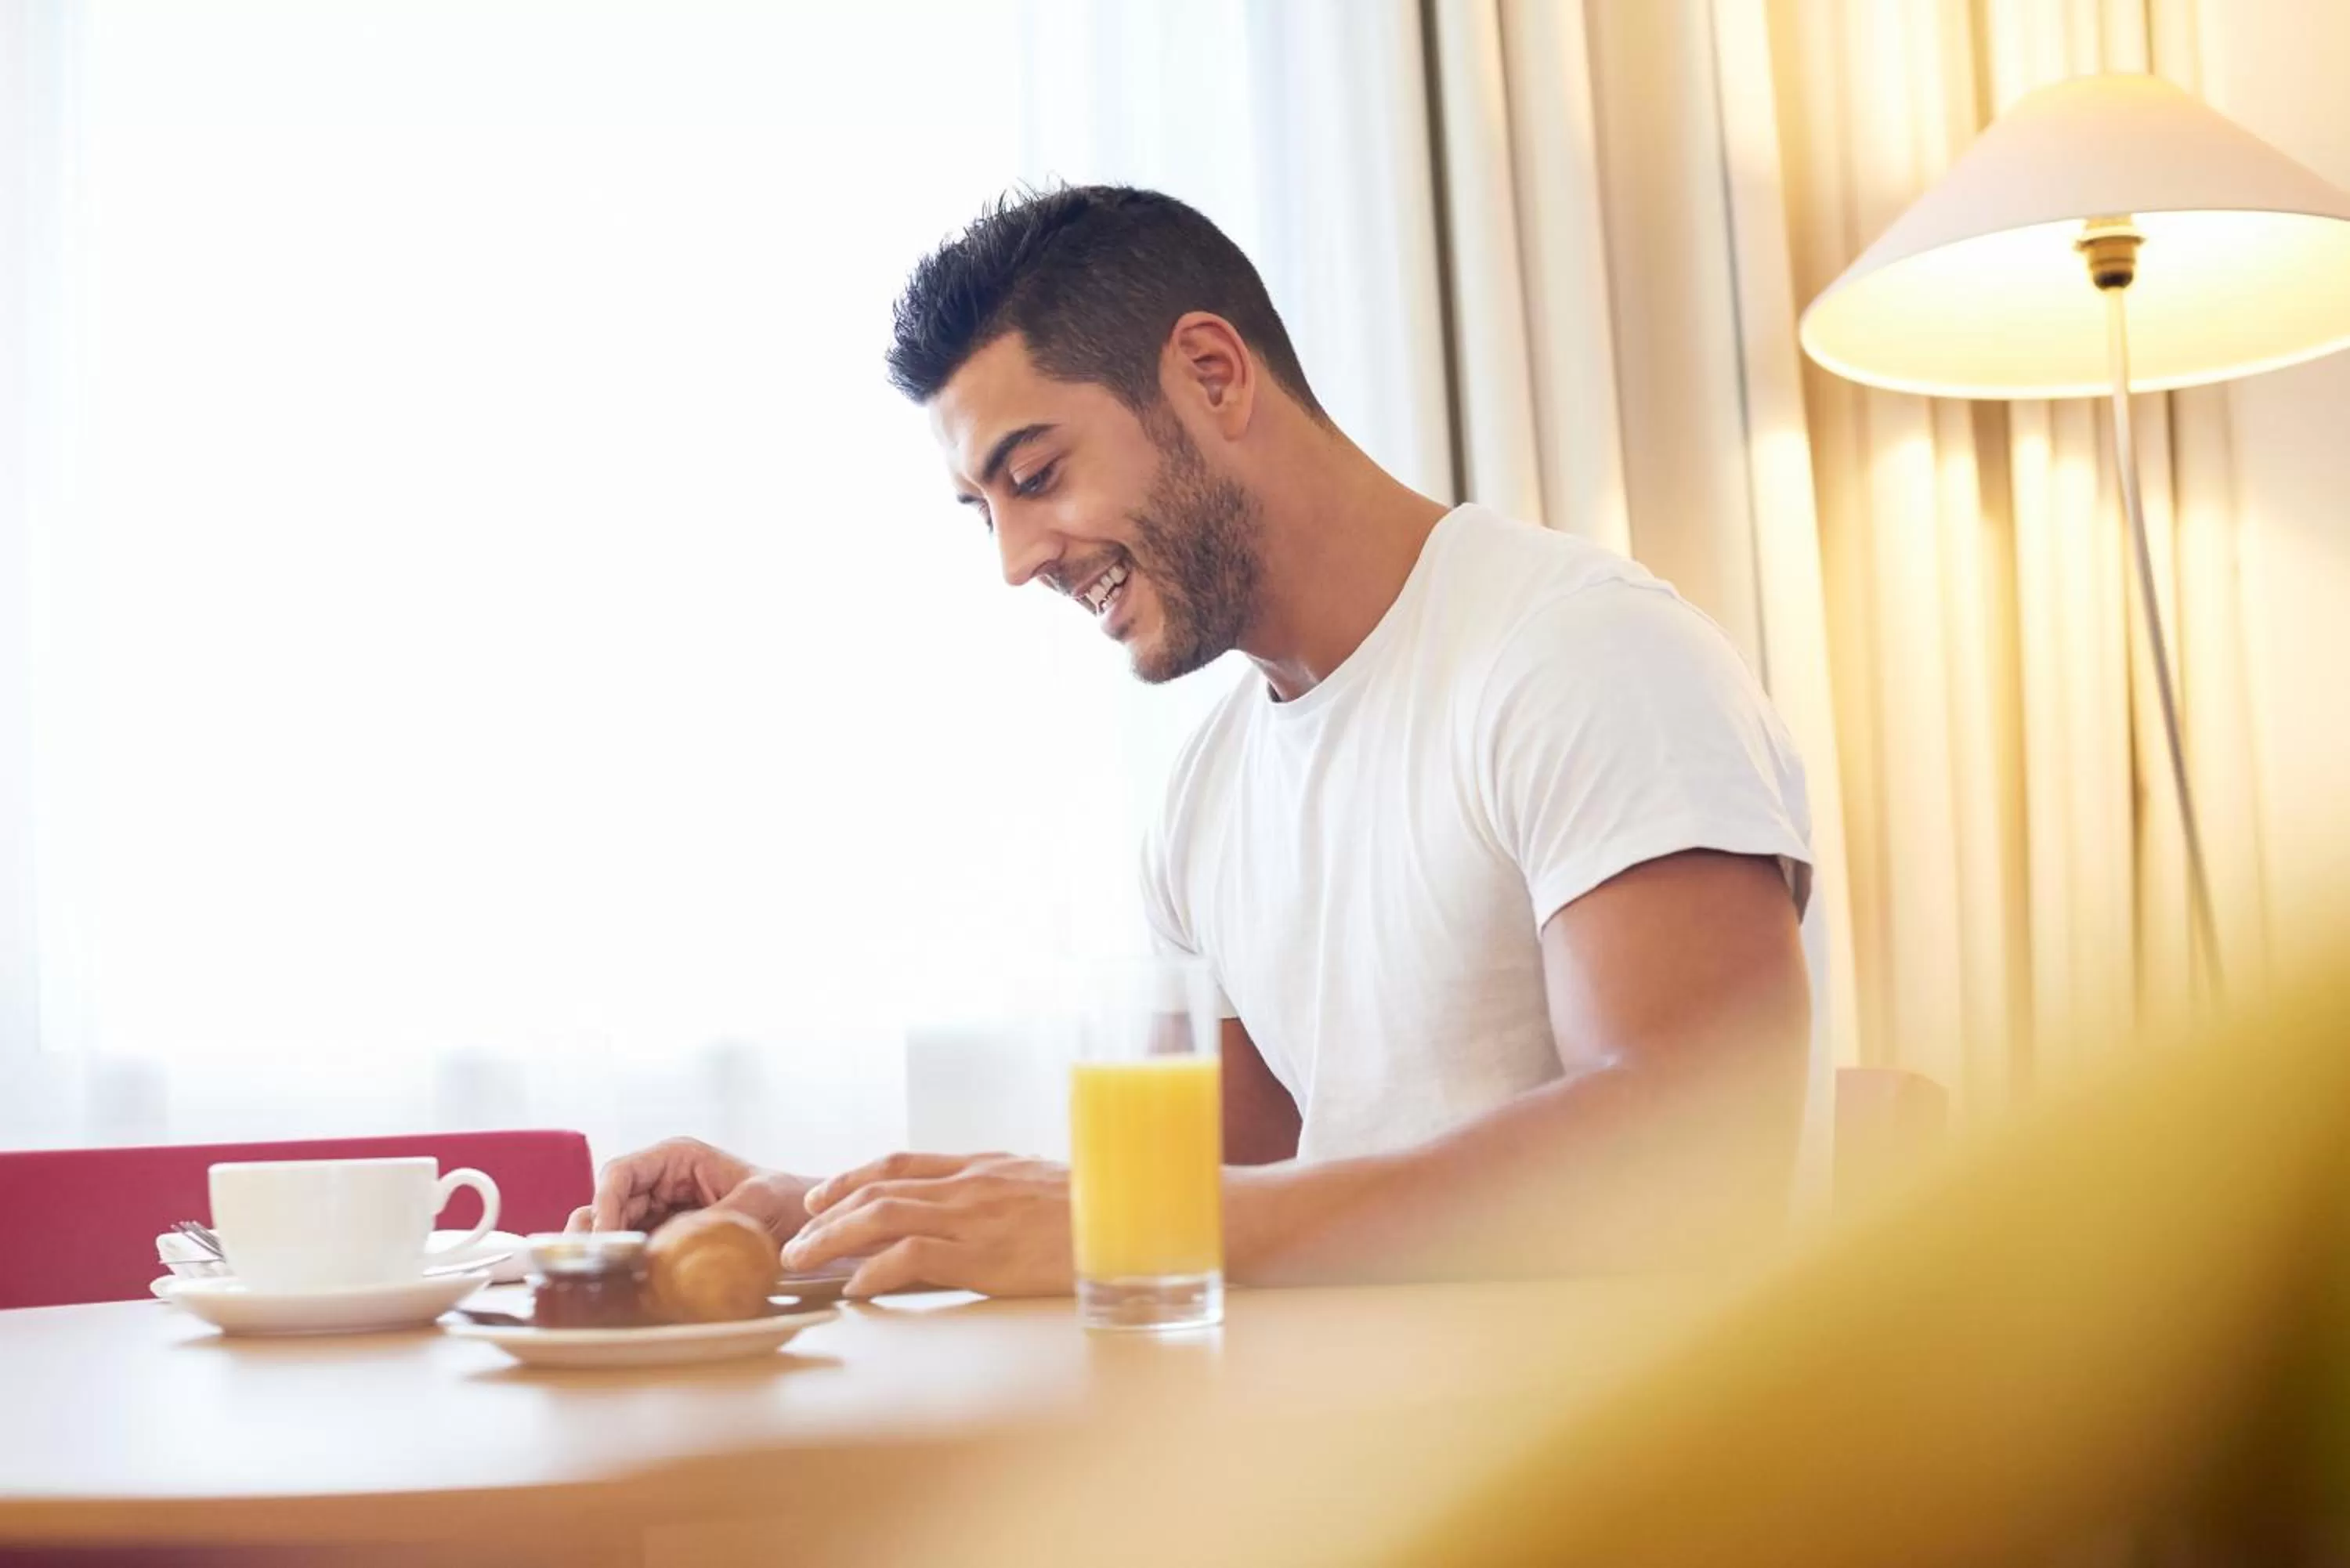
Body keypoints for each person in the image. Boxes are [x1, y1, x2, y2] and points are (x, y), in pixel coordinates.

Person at [572, 185, 1815, 1297]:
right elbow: (1217, 1206)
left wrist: (1128, 1219)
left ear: (1213, 375)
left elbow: (1698, 1148)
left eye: (1038, 471)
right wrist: (829, 1214)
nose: (1016, 561)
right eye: (982, 510)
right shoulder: (1208, 797)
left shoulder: (1578, 656)